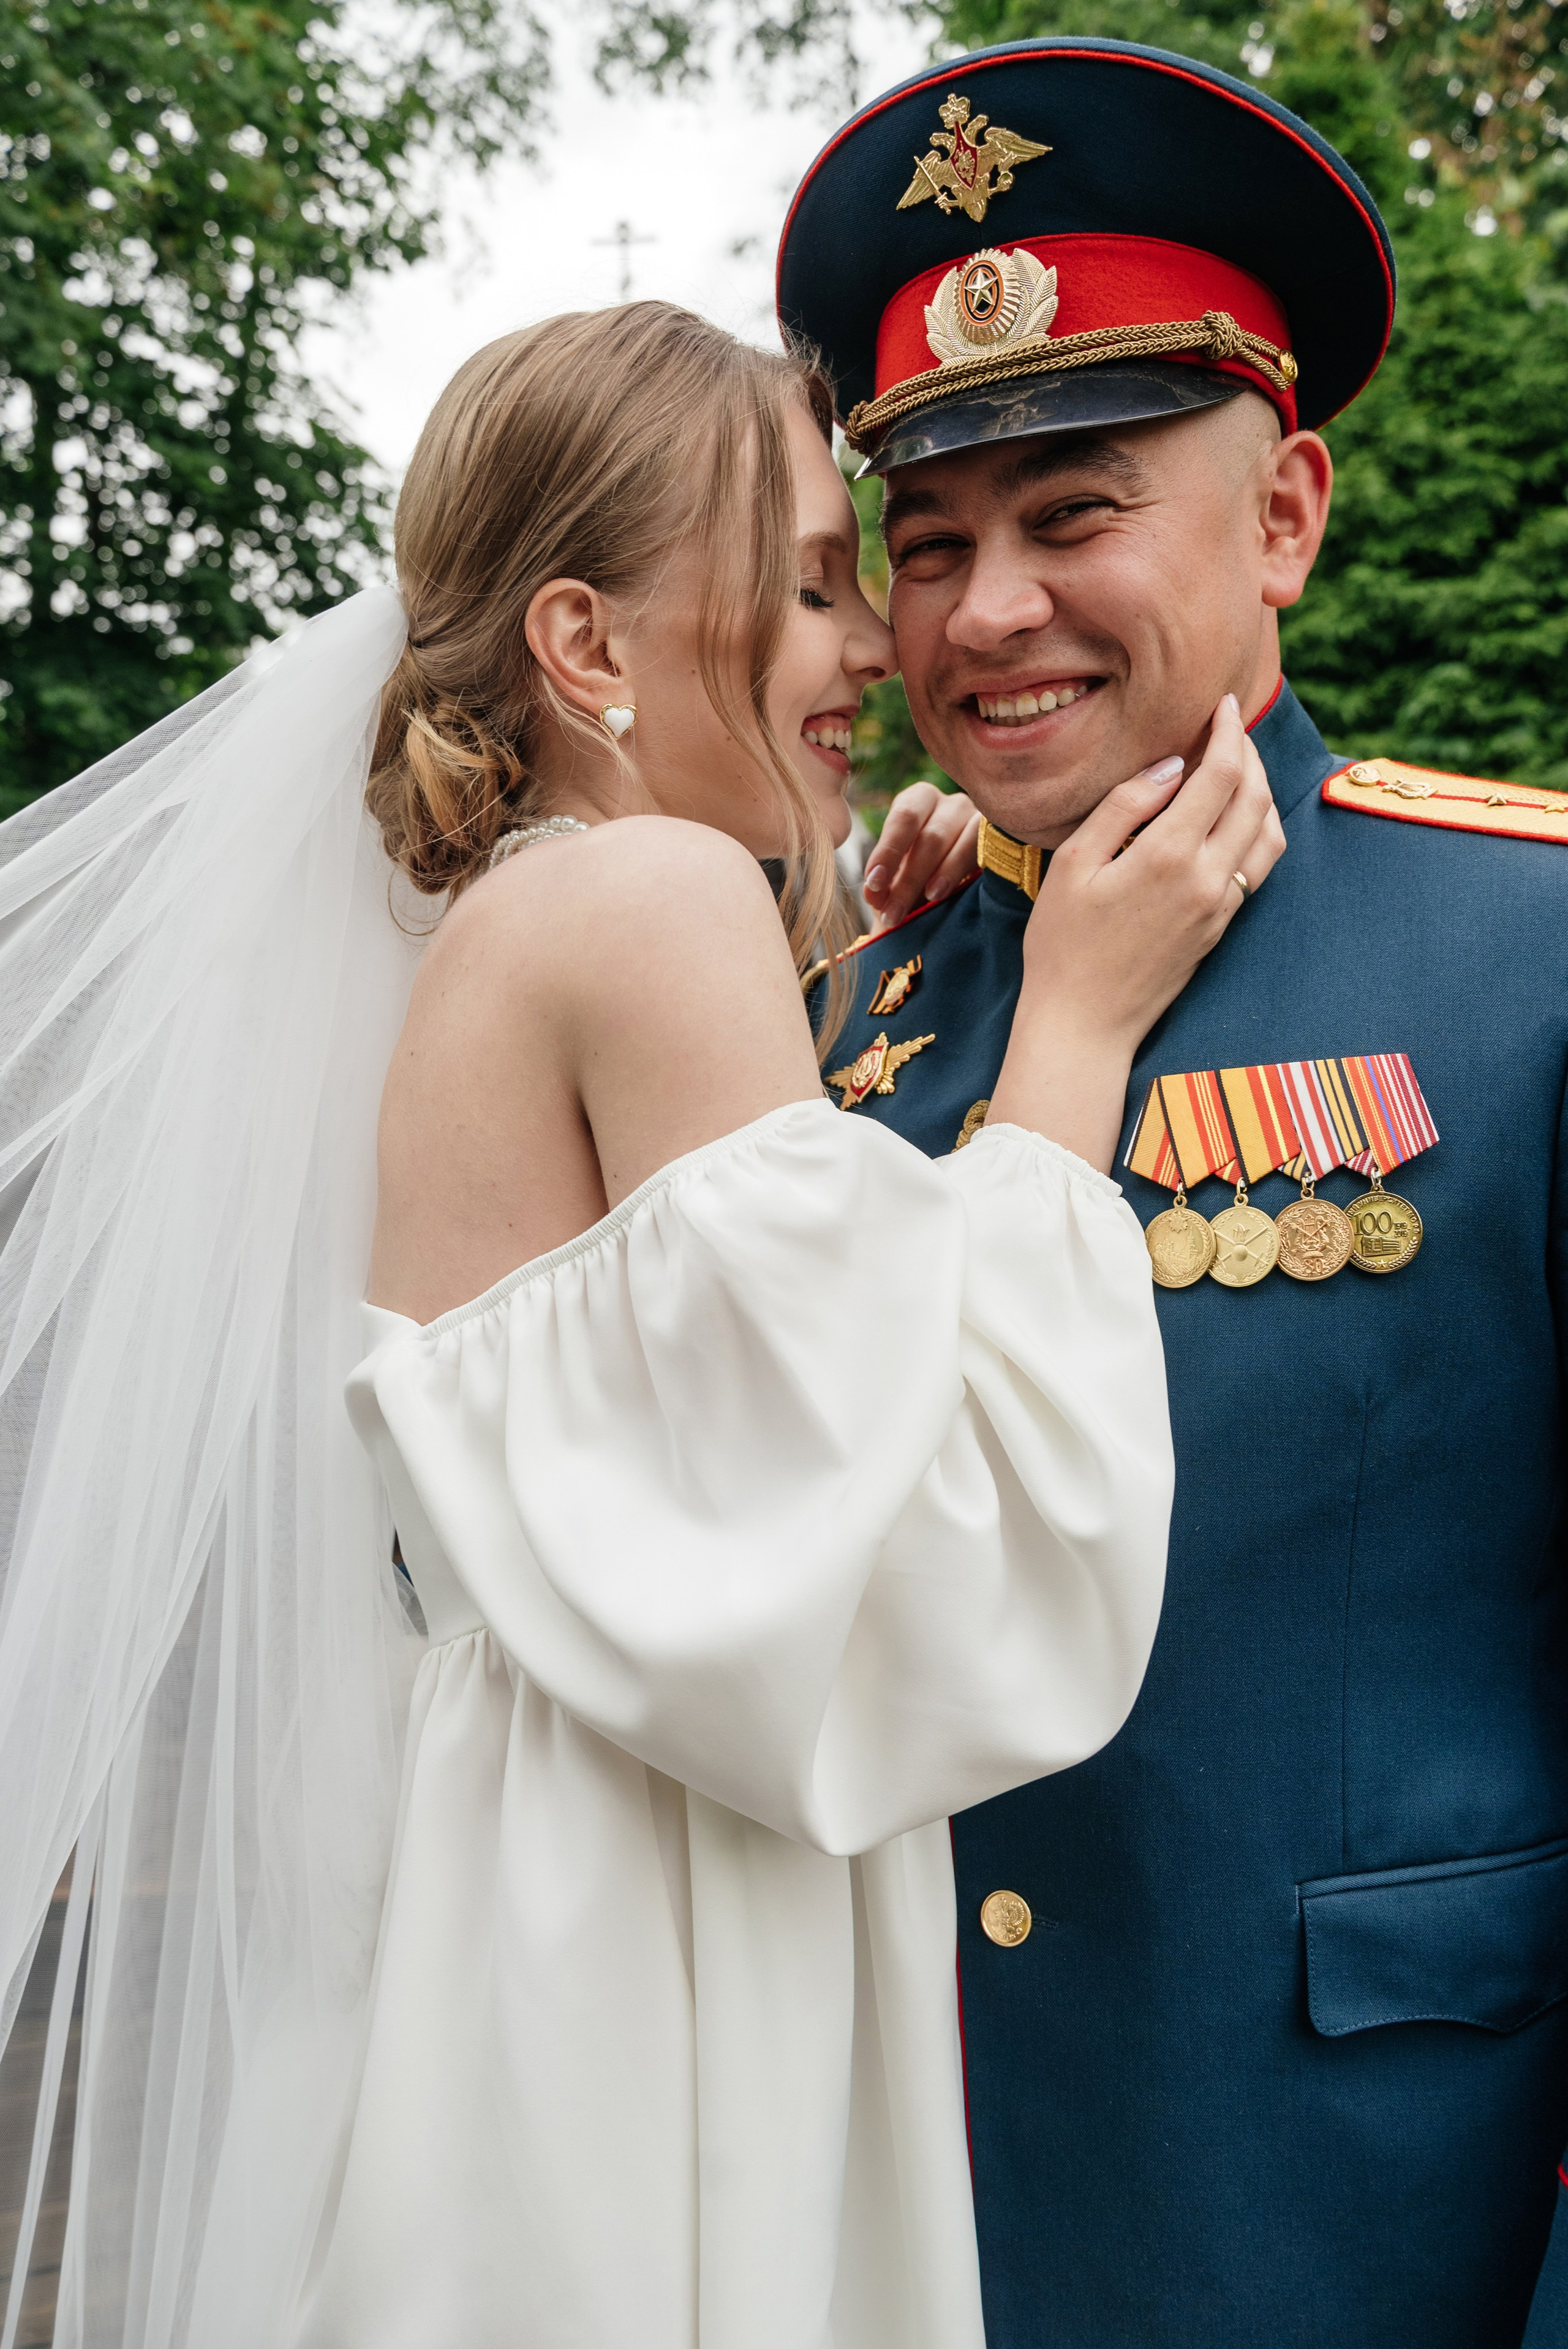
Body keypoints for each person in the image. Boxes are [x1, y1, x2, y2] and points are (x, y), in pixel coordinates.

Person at [0, 300, 1282, 2345]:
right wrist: (1071, 1026)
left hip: (523, 1916)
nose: (877, 649)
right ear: (587, 644)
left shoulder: (520, 914)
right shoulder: (650, 902)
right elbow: (937, 1573)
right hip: (650, 1956)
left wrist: (851, 948)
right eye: (813, 583)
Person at [780, 35, 1568, 2349]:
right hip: (890, 2230)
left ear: (1285, 518)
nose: (985, 611)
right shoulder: (846, 1018)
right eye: (931, 541)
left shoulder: (1528, 960)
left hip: (1370, 2228)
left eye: (1076, 511)